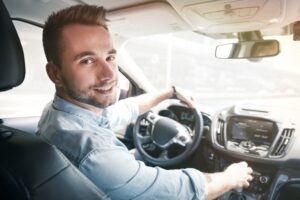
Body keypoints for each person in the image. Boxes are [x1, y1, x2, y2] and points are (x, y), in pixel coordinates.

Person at [37, 4, 253, 200]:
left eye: (110, 57)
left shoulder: (60, 114)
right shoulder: (97, 154)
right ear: (55, 73)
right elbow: (181, 191)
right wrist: (232, 177)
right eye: (87, 60)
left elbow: (126, 109)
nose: (108, 74)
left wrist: (170, 92)